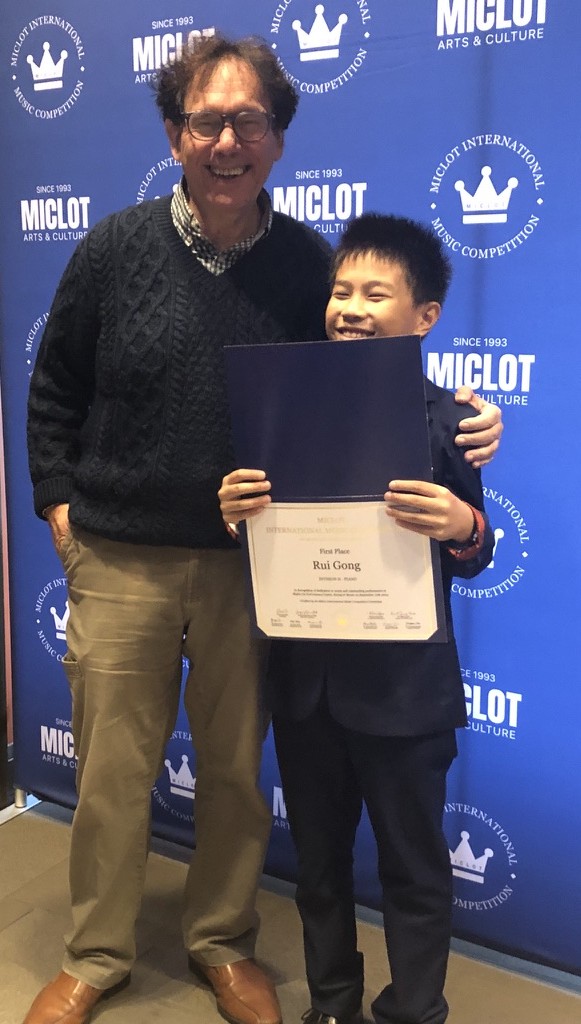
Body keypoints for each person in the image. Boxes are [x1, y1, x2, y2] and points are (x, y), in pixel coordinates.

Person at [25, 30, 501, 1024]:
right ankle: (96, 954)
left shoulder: (307, 266)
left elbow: (368, 379)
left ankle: (220, 940)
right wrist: (62, 513)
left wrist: (460, 413)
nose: (227, 141)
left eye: (249, 122)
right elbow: (53, 387)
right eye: (206, 122)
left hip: (255, 567)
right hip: (120, 555)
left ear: (278, 139)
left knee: (237, 774)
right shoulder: (112, 249)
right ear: (174, 135)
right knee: (111, 774)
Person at [219, 213, 495, 1024]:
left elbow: (472, 555)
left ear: (424, 316)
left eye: (376, 293)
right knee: (318, 867)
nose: (350, 307)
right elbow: (257, 536)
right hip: (305, 692)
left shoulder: (453, 423)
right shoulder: (274, 414)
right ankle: (332, 1003)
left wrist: (462, 526)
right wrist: (233, 516)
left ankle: (414, 1008)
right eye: (341, 290)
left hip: (405, 695)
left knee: (414, 868)